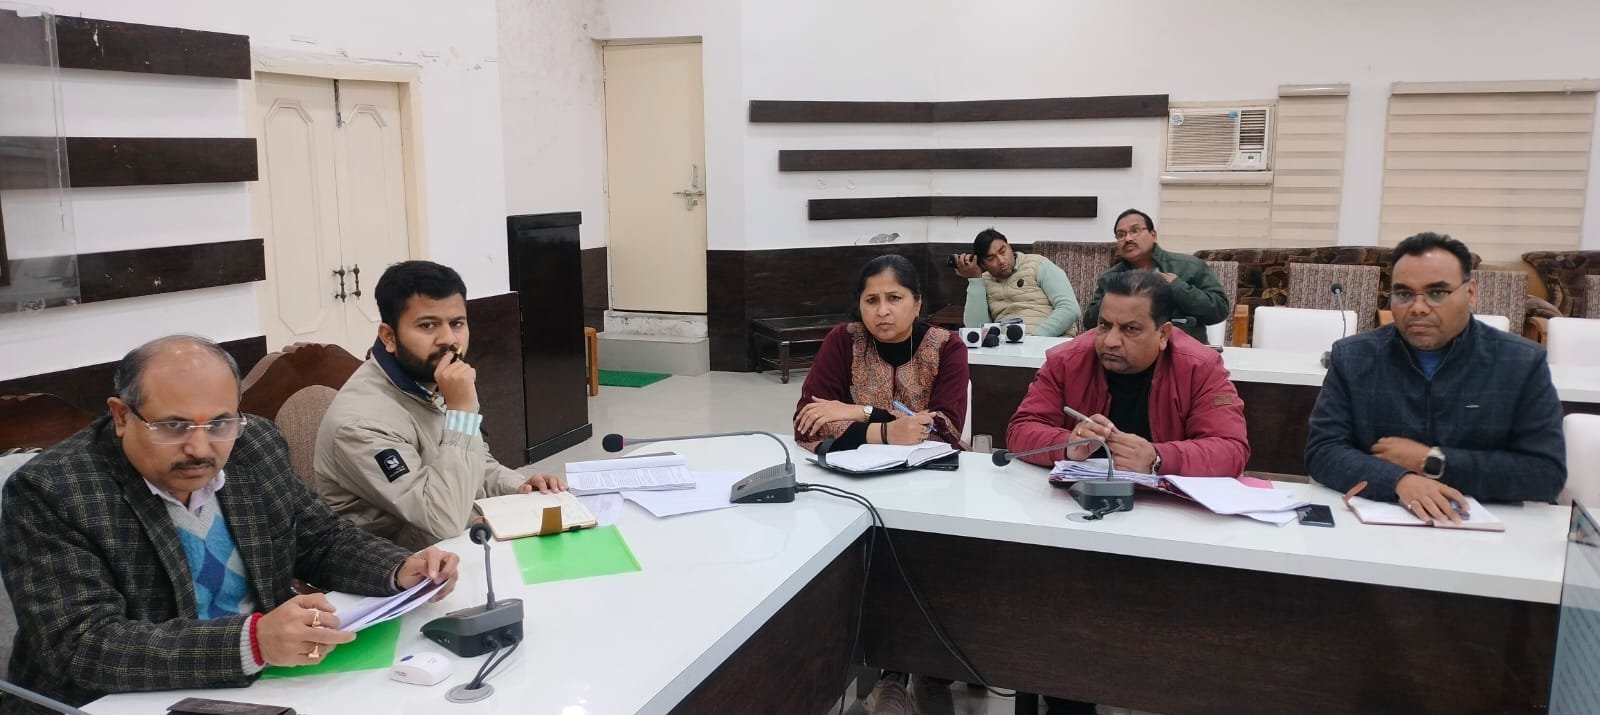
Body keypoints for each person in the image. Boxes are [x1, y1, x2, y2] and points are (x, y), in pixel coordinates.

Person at [0, 336, 461, 712]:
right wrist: (252, 641)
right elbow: (81, 644)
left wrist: (398, 568)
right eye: (174, 426)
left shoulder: (253, 445)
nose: (201, 448)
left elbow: (319, 539)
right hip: (116, 701)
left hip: (267, 684)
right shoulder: (51, 491)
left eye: (220, 422)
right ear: (122, 416)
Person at [1305, 233, 1565, 520]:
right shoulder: (1353, 357)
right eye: (1404, 294)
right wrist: (1399, 481)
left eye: (1437, 293)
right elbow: (1323, 451)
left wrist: (1433, 462)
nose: (1418, 307)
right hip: (1379, 522)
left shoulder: (1521, 363)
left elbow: (1545, 474)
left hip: (1490, 528)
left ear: (1471, 293)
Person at [317, 261, 566, 551]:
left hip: (454, 545)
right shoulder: (360, 423)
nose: (449, 339)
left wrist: (520, 486)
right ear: (389, 337)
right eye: (428, 325)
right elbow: (442, 518)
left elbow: (476, 464)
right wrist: (462, 411)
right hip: (399, 566)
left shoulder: (431, 380)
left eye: (457, 323)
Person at [1007, 270, 1249, 476]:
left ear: (1163, 335)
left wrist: (1157, 458)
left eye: (1130, 329)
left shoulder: (1200, 367)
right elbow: (1021, 430)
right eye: (1104, 325)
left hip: (1167, 506)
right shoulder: (1066, 360)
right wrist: (1067, 445)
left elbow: (1231, 449)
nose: (1110, 341)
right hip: (1077, 497)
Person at [794, 254, 969, 453]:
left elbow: (944, 432)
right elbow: (807, 425)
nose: (882, 311)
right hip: (854, 465)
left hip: (928, 466)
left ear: (917, 304)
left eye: (894, 298)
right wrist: (885, 433)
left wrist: (861, 412)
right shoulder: (843, 341)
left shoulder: (947, 347)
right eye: (871, 300)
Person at [1082, 208, 1230, 344]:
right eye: (1121, 235)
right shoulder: (1111, 277)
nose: (1128, 238)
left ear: (1153, 235)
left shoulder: (1189, 266)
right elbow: (1090, 322)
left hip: (1184, 350)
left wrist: (1178, 287)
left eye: (1135, 231)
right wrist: (1115, 292)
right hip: (1129, 353)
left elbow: (1219, 310)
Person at [952, 228, 1079, 337]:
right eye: (991, 258)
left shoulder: (1038, 265)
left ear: (1010, 247)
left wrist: (1035, 339)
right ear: (983, 264)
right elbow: (976, 328)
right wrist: (975, 280)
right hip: (1006, 347)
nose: (1001, 261)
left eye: (1003, 251)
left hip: (1051, 342)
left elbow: (1069, 309)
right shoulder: (983, 281)